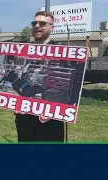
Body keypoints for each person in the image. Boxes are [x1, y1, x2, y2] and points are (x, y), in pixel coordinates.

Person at [14, 11, 65, 142]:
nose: (37, 26)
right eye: (34, 23)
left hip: (50, 120)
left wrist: (54, 109)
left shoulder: (62, 51)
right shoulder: (24, 51)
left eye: (42, 23)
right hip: (24, 118)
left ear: (52, 28)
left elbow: (68, 86)